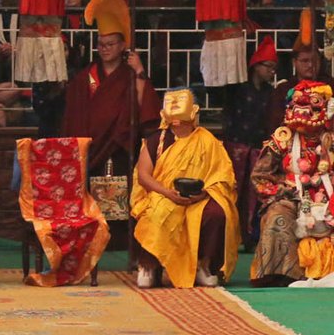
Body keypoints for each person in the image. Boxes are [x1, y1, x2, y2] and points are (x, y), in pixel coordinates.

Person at [132, 89, 240, 289]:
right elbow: (144, 176)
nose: (177, 123)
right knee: (158, 212)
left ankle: (202, 265)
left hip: (200, 196)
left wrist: (204, 193)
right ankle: (149, 266)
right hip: (164, 194)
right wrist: (167, 193)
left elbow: (222, 175)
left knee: (217, 212)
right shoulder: (157, 140)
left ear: (194, 113)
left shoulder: (207, 140)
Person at [61, 0, 160, 176]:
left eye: (110, 44)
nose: (104, 49)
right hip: (89, 150)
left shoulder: (128, 74)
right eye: (101, 44)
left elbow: (143, 105)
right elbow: (73, 115)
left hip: (119, 148)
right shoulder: (86, 76)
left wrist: (139, 70)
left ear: (122, 45)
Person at [251, 80, 334, 287]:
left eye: (312, 105)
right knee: (277, 217)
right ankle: (281, 273)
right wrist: (282, 191)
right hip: (291, 196)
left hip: (329, 197)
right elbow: (260, 176)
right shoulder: (282, 139)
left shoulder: (330, 139)